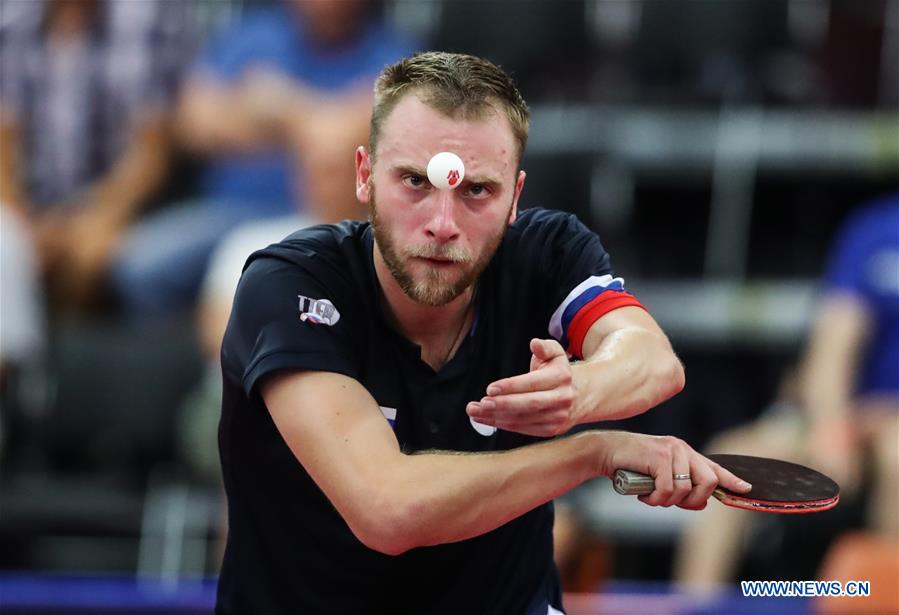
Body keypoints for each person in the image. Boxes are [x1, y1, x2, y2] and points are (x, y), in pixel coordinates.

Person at [217, 51, 750, 615]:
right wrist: (593, 452)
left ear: (516, 197)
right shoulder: (289, 286)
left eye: (477, 191)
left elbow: (652, 360)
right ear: (365, 174)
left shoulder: (547, 255)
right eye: (415, 181)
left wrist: (579, 389)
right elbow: (387, 509)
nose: (443, 225)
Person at [111, 0, 414, 320]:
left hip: (326, 217)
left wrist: (278, 105)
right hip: (230, 212)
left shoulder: (390, 51)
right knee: (138, 267)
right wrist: (321, 121)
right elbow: (194, 124)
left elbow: (366, 135)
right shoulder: (250, 36)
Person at [675, 193, 899, 591]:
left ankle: (883, 598)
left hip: (890, 430)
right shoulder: (877, 228)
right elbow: (834, 345)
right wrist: (833, 427)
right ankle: (697, 603)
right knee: (731, 459)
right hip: (856, 418)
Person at [0, 0, 191, 310]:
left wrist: (92, 221)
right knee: (6, 251)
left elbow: (151, 153)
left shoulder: (146, 14)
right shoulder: (12, 13)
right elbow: (3, 144)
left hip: (123, 210)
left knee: (94, 256)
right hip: (30, 209)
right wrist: (21, 225)